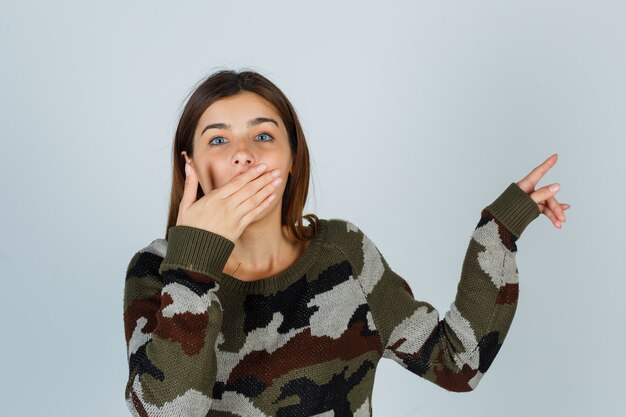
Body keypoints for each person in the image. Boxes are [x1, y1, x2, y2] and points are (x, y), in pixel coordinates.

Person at [122, 69, 570, 417]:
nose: (243, 153)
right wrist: (194, 262)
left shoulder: (343, 253)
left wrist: (499, 231)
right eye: (218, 139)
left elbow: (458, 364)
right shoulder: (157, 270)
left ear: (293, 159)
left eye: (263, 135)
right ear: (191, 166)